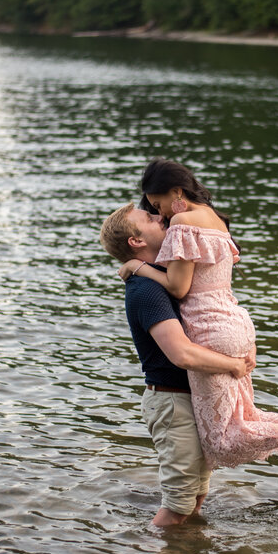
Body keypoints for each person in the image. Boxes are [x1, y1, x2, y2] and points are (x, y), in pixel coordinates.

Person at [118, 158, 278, 469]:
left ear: (177, 192)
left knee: (221, 441)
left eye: (159, 204)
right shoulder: (217, 222)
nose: (162, 214)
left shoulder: (184, 224)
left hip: (209, 330)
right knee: (244, 416)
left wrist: (137, 267)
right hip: (237, 324)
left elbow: (179, 287)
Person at [100, 202, 256, 527]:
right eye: (150, 218)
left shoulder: (166, 276)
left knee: (196, 495)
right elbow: (181, 354)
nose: (161, 217)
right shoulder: (145, 291)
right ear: (136, 241)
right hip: (172, 401)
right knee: (178, 504)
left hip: (191, 397)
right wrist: (232, 365)